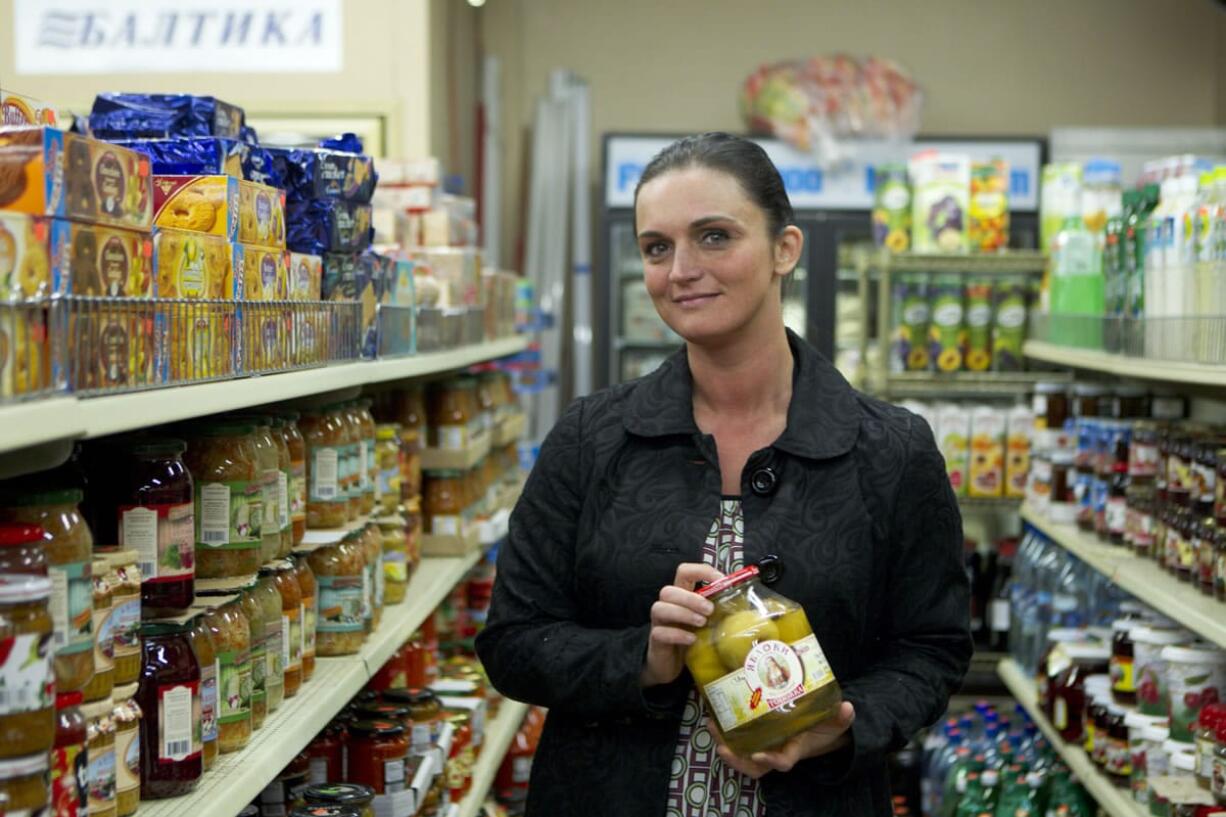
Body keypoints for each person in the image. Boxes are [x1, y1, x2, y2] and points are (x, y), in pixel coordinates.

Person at [476, 132, 971, 817]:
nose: (681, 269)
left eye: (714, 236)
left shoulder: (890, 451)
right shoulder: (591, 439)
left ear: (784, 249)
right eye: (657, 246)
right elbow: (512, 641)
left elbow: (932, 648)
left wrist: (841, 725)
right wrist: (644, 658)